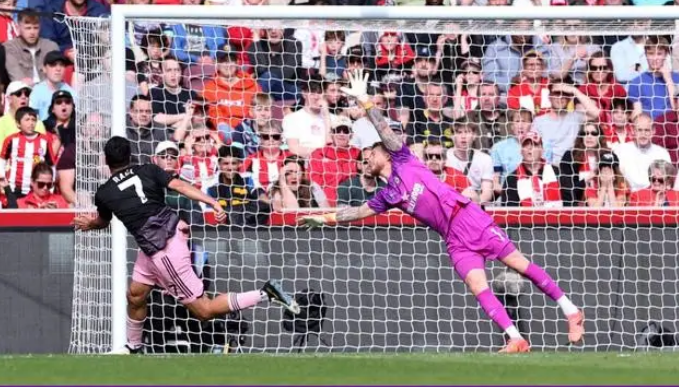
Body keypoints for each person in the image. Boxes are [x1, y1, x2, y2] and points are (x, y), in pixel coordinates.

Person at [299, 70, 584, 353]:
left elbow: (383, 130)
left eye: (370, 154)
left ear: (384, 153)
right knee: (477, 286)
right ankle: (515, 338)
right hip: (453, 238)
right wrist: (323, 217)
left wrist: (365, 101)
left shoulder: (403, 159)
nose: (366, 160)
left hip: (468, 218)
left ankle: (570, 310)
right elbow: (357, 212)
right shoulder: (388, 195)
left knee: (519, 265)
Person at [73, 136, 299, 354]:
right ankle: (133, 346)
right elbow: (180, 186)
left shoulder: (104, 193)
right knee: (136, 294)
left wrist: (90, 223)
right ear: (130, 156)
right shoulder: (147, 169)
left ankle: (266, 293)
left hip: (164, 249)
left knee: (204, 311)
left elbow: (103, 221)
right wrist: (212, 202)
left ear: (105, 159)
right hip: (156, 243)